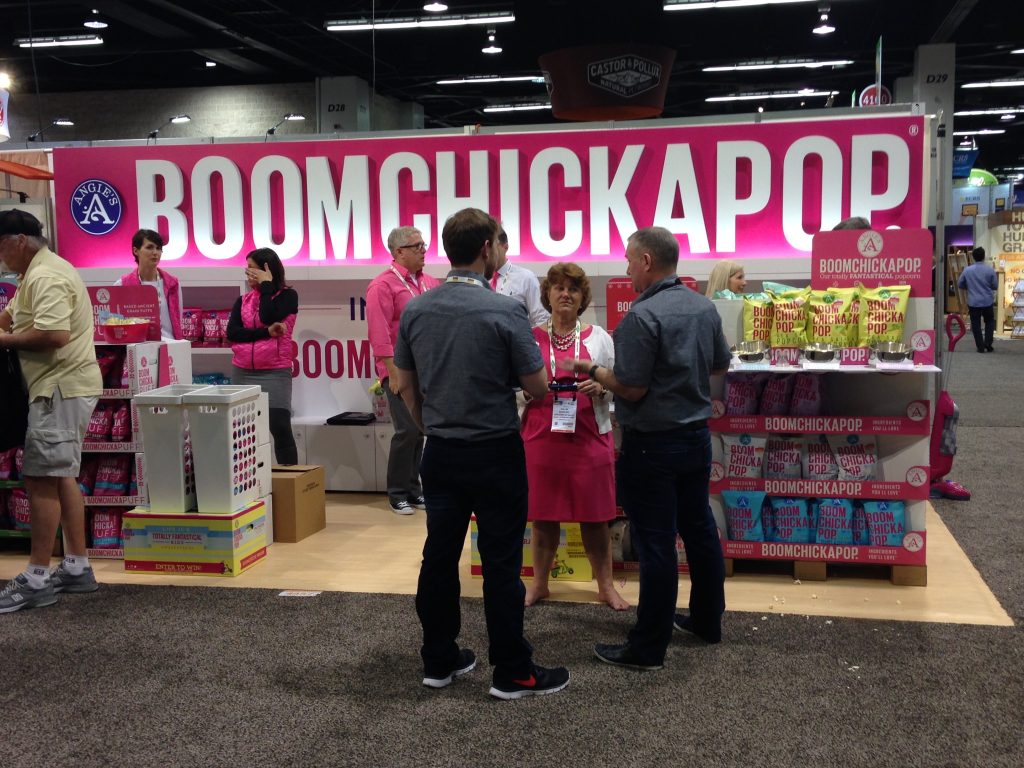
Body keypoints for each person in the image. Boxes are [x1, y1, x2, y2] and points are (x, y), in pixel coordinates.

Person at [394, 207, 570, 700]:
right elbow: (537, 386)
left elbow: (404, 385)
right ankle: (513, 671)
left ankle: (439, 658)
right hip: (494, 451)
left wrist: (431, 425)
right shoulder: (504, 310)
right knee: (499, 562)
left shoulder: (417, 308)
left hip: (442, 453)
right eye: (498, 243)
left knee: (438, 556)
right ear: (486, 249)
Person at [562, 226, 732, 670]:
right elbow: (719, 364)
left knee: (656, 542)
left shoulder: (641, 316)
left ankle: (647, 648)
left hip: (652, 446)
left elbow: (631, 389)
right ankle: (707, 621)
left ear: (647, 262)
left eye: (628, 259)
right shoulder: (703, 307)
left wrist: (593, 370)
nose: (625, 268)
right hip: (696, 439)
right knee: (698, 530)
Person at [0, 210, 103, 613]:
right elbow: (10, 318)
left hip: (59, 389)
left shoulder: (45, 276)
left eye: (1, 244)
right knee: (61, 477)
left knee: (41, 478)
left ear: (20, 240)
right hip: (63, 387)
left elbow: (53, 334)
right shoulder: (36, 275)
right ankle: (76, 567)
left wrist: (3, 342)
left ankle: (37, 576)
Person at [521, 263, 627, 611]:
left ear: (583, 298)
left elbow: (618, 384)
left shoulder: (600, 337)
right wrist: (532, 392)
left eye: (573, 289)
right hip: (541, 437)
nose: (565, 294)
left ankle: (606, 587)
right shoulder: (530, 337)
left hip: (589, 436)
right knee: (543, 517)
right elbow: (515, 389)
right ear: (548, 295)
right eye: (559, 288)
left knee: (596, 518)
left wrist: (601, 387)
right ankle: (539, 585)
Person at [366, 226, 440, 515]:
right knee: (406, 430)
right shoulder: (382, 285)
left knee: (421, 430)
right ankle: (397, 491)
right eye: (417, 246)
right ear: (399, 252)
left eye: (424, 245)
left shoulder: (431, 283)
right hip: (399, 370)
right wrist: (392, 373)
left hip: (428, 369)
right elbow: (379, 332)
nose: (424, 250)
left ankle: (414, 489)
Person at [226, 248, 299, 464]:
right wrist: (266, 333)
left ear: (267, 270)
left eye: (252, 268)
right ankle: (248, 484)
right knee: (242, 431)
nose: (248, 273)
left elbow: (268, 315)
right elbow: (233, 334)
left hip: (275, 371)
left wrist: (267, 285)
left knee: (279, 425)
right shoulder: (243, 301)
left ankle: (290, 482)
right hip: (242, 371)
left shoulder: (288, 296)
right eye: (246, 268)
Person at [114, 229, 182, 339]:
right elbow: (117, 324)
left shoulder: (172, 284)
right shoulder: (121, 285)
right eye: (149, 247)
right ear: (136, 251)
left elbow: (178, 321)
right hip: (136, 347)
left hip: (169, 347)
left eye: (158, 248)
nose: (155, 252)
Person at [490, 225, 550, 326]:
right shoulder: (479, 279)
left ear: (505, 247)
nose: (488, 253)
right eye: (486, 248)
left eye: (492, 247)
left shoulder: (526, 278)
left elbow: (541, 319)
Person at [958, 246, 998, 353]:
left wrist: (970, 287)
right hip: (987, 301)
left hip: (973, 301)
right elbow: (995, 286)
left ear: (973, 257)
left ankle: (980, 346)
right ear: (984, 257)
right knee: (989, 322)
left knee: (975, 323)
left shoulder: (967, 270)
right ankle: (988, 343)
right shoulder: (990, 270)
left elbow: (960, 284)